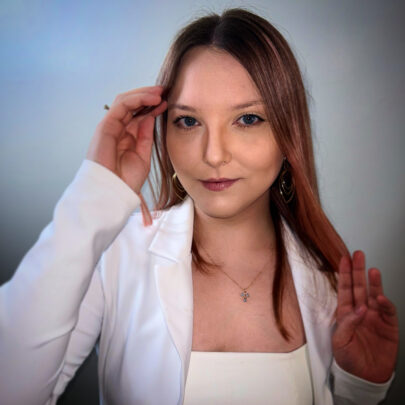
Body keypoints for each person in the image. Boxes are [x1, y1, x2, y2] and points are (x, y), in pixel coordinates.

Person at [0, 8, 399, 405]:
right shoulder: (117, 254)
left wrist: (360, 389)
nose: (213, 154)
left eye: (247, 119)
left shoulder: (328, 282)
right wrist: (96, 191)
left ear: (288, 133)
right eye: (189, 122)